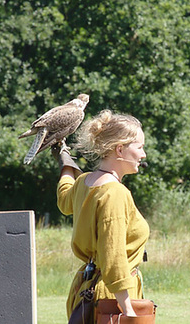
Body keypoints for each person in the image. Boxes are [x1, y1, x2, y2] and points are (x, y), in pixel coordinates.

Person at [53, 109, 149, 321]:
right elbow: (112, 256)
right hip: (110, 299)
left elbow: (64, 199)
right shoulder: (114, 193)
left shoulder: (84, 182)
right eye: (140, 147)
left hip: (85, 291)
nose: (143, 155)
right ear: (120, 150)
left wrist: (65, 164)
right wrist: (128, 312)